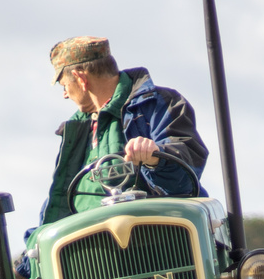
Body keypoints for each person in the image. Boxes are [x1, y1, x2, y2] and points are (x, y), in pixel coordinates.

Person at [37, 36, 209, 226]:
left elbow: (186, 179)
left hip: (155, 237)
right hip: (88, 248)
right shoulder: (75, 130)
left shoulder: (158, 104)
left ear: (81, 78)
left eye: (64, 85)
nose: (65, 94)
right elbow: (58, 204)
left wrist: (156, 158)